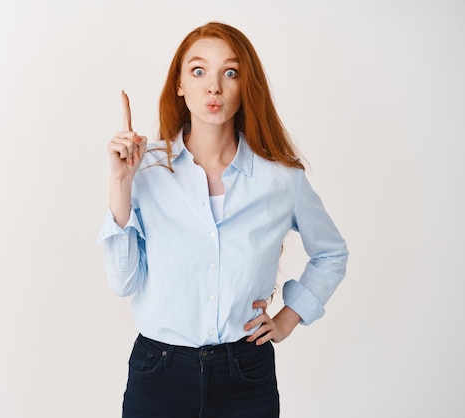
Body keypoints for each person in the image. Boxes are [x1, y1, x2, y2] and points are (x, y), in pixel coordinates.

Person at [96, 21, 348, 418]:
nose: (213, 86)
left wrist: (287, 319)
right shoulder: (144, 170)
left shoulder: (281, 178)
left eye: (229, 73)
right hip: (159, 372)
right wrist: (120, 183)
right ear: (179, 84)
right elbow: (122, 282)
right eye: (198, 71)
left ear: (245, 86)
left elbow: (331, 254)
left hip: (245, 374)